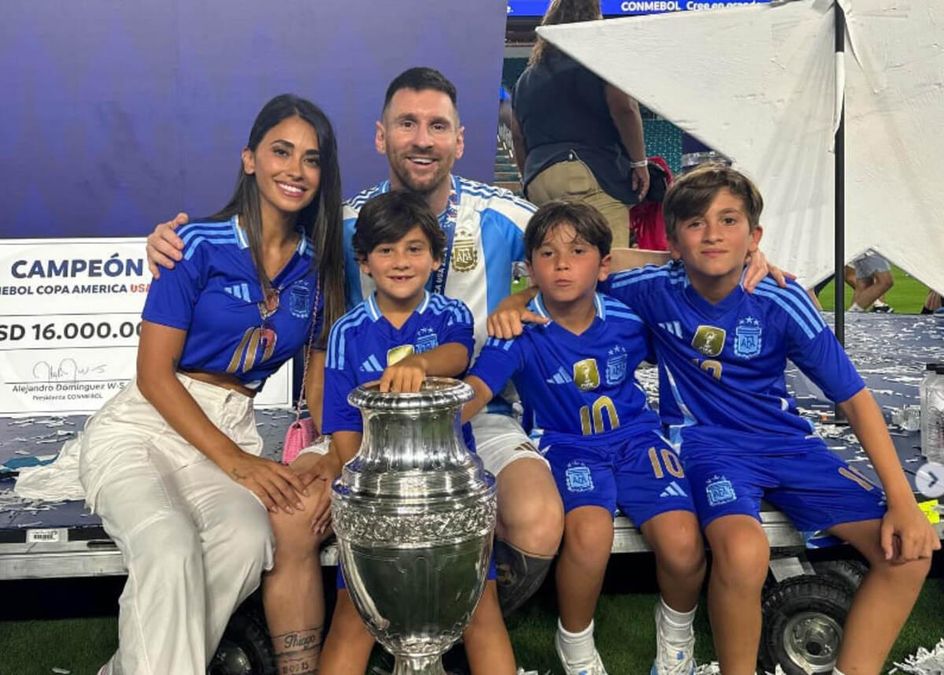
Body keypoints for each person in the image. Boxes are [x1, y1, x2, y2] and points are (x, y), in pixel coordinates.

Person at [601, 164, 939, 674]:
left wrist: (903, 501)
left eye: (729, 221)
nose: (712, 234)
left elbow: (853, 398)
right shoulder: (654, 286)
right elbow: (585, 261)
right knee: (742, 552)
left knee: (909, 554)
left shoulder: (781, 298)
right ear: (673, 242)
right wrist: (519, 300)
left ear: (755, 237)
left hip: (788, 444)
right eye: (695, 224)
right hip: (707, 447)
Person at [50, 94, 343, 675]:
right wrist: (239, 463)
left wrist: (335, 451)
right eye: (281, 151)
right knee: (169, 545)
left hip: (233, 426)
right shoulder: (196, 244)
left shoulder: (319, 266)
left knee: (247, 540)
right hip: (148, 423)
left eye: (311, 159)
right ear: (249, 159)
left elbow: (316, 376)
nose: (295, 169)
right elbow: (153, 375)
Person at [462, 201, 705, 675]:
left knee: (682, 541)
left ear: (603, 264)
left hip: (638, 440)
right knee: (590, 535)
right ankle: (576, 646)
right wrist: (427, 419)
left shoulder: (628, 318)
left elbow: (683, 320)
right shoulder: (518, 330)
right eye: (548, 254)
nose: (563, 264)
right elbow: (479, 388)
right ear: (529, 268)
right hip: (566, 445)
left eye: (577, 251)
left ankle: (677, 641)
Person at [315, 190, 517, 674]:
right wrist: (361, 496)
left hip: (448, 499)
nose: (401, 262)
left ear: (436, 258)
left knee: (480, 609)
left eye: (414, 249)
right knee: (353, 616)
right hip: (377, 501)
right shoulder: (347, 331)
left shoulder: (451, 315)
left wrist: (419, 365)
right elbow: (342, 423)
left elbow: (458, 356)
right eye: (386, 250)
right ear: (364, 262)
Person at [511, 0, 650, 248]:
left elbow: (518, 137)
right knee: (608, 261)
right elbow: (624, 107)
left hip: (539, 178)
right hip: (589, 171)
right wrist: (639, 163)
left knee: (557, 261)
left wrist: (529, 179)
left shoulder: (525, 79)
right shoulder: (599, 63)